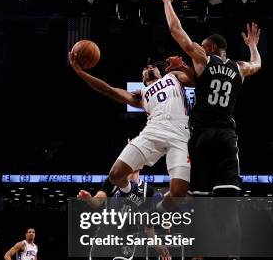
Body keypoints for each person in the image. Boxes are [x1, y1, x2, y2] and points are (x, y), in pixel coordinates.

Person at [162, 0, 262, 260]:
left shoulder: (202, 57)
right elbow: (258, 65)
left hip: (200, 140)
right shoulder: (238, 69)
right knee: (229, 213)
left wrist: (167, 0)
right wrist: (252, 46)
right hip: (227, 138)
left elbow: (177, 31)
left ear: (208, 48)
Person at [69, 50, 195, 209]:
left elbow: (198, 80)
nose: (149, 67)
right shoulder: (141, 95)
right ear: (142, 79)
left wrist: (182, 66)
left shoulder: (173, 76)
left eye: (153, 66)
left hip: (180, 136)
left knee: (178, 194)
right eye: (145, 68)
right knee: (115, 175)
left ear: (159, 71)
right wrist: (80, 72)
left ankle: (157, 210)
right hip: (153, 132)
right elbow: (109, 90)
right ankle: (128, 191)